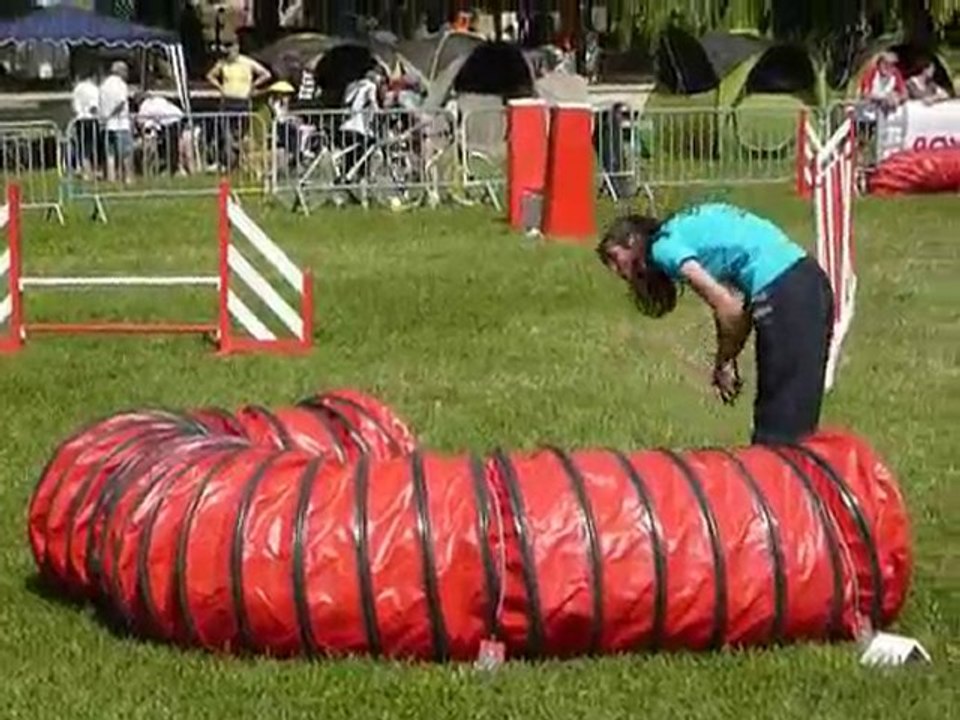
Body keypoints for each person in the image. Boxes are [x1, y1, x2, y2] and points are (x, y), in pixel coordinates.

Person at [596, 203, 835, 445]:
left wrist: (723, 362)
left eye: (616, 259)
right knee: (799, 423)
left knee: (777, 431)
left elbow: (729, 308)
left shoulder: (663, 247)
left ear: (632, 240)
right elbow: (736, 312)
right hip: (810, 280)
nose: (620, 272)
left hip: (783, 292)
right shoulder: (682, 227)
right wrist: (728, 357)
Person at [98, 60, 133, 184]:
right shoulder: (121, 85)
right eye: (126, 71)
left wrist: (104, 118)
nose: (127, 74)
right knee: (126, 153)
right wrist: (111, 115)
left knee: (110, 154)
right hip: (120, 124)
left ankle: (111, 178)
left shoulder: (103, 85)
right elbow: (121, 102)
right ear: (121, 72)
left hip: (107, 126)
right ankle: (128, 177)